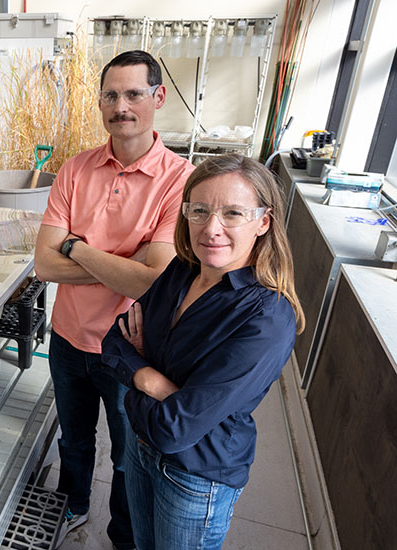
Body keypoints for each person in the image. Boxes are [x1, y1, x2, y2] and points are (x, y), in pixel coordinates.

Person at [101, 154, 305, 549]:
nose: (212, 229)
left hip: (195, 476)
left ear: (264, 221)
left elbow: (175, 428)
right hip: (140, 449)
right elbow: (112, 342)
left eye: (233, 213)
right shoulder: (183, 270)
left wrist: (135, 375)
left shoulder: (266, 318)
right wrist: (153, 380)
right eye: (200, 210)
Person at [34, 50, 194, 549]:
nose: (120, 105)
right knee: (74, 441)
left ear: (158, 97)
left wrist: (76, 245)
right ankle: (72, 507)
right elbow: (43, 265)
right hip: (66, 338)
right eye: (110, 95)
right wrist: (128, 260)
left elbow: (153, 283)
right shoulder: (75, 169)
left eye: (133, 94)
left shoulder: (180, 180)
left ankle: (123, 537)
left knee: (130, 455)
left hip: (128, 349)